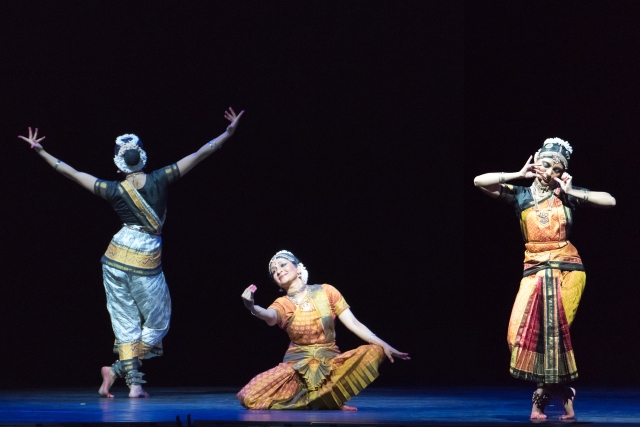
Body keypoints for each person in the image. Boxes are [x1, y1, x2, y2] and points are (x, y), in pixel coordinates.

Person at [18, 108, 244, 398]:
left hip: (114, 257)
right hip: (144, 258)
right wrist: (228, 133)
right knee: (158, 321)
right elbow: (200, 154)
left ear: (118, 163)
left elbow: (72, 173)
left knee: (125, 320)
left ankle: (132, 383)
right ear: (142, 157)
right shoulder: (160, 178)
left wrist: (41, 151)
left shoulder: (113, 189)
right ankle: (118, 372)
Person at [473, 138, 615, 420]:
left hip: (567, 270)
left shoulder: (566, 194)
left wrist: (574, 190)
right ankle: (565, 393)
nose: (547, 170)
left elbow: (610, 200)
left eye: (555, 167)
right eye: (545, 163)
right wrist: (517, 174)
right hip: (534, 269)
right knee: (517, 335)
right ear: (536, 162)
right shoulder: (520, 194)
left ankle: (540, 403)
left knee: (551, 336)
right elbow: (479, 181)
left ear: (561, 173)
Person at [237, 250, 410, 410]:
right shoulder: (282, 303)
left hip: (330, 367)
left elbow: (354, 324)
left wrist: (384, 344)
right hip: (296, 371)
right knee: (248, 396)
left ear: (297, 267)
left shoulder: (327, 291)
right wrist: (252, 307)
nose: (278, 271)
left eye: (282, 264)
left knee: (374, 351)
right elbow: (270, 316)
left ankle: (323, 398)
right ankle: (323, 400)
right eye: (274, 271)